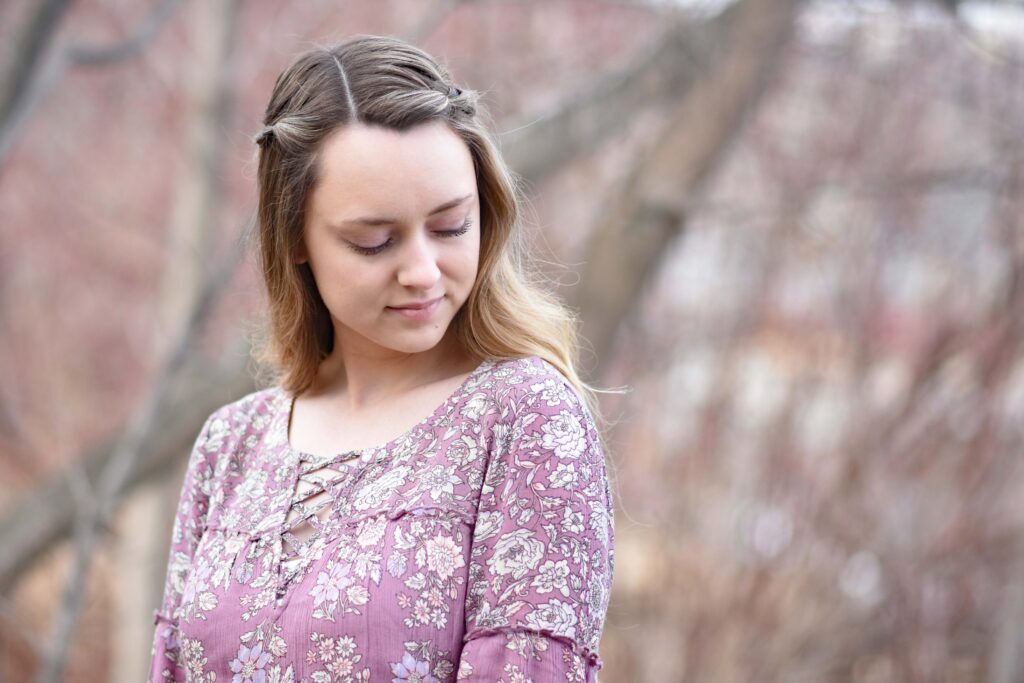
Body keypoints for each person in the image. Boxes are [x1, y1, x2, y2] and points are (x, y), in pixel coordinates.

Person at [149, 34, 615, 682]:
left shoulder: (524, 420)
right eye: (375, 241)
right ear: (296, 240)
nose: (423, 272)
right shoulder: (230, 446)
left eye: (452, 226)